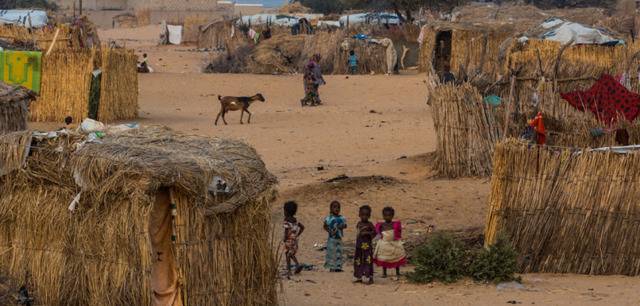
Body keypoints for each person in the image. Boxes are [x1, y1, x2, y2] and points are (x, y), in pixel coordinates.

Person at [373, 206, 406, 280]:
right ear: (383, 216)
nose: (387, 217)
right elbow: (377, 233)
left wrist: (397, 237)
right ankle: (384, 272)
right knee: (384, 258)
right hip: (384, 244)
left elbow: (399, 232)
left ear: (392, 216)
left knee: (397, 257)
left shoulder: (395, 224)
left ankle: (397, 272)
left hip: (394, 243)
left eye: (389, 215)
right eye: (385, 215)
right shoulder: (381, 225)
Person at [354, 205, 375, 284]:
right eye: (362, 214)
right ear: (359, 215)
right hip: (359, 246)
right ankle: (359, 277)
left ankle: (370, 277)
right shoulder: (359, 223)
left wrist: (367, 233)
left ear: (369, 216)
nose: (364, 217)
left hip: (367, 247)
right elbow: (358, 233)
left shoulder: (370, 224)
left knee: (368, 261)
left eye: (366, 215)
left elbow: (375, 233)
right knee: (358, 261)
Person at [283, 201, 305, 278]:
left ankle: (291, 269)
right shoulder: (296, 220)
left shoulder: (286, 221)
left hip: (289, 240)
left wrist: (285, 238)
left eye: (284, 210)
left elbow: (286, 231)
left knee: (288, 254)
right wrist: (297, 234)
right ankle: (295, 266)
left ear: (286, 211)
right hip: (295, 240)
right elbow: (302, 227)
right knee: (290, 253)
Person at [323, 200, 346, 272]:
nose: (337, 209)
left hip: (339, 238)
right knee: (331, 253)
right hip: (331, 239)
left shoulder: (342, 218)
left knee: (339, 252)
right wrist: (329, 231)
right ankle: (332, 267)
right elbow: (325, 226)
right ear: (331, 209)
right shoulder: (329, 218)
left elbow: (345, 225)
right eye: (334, 207)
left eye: (338, 207)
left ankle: (338, 267)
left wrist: (342, 226)